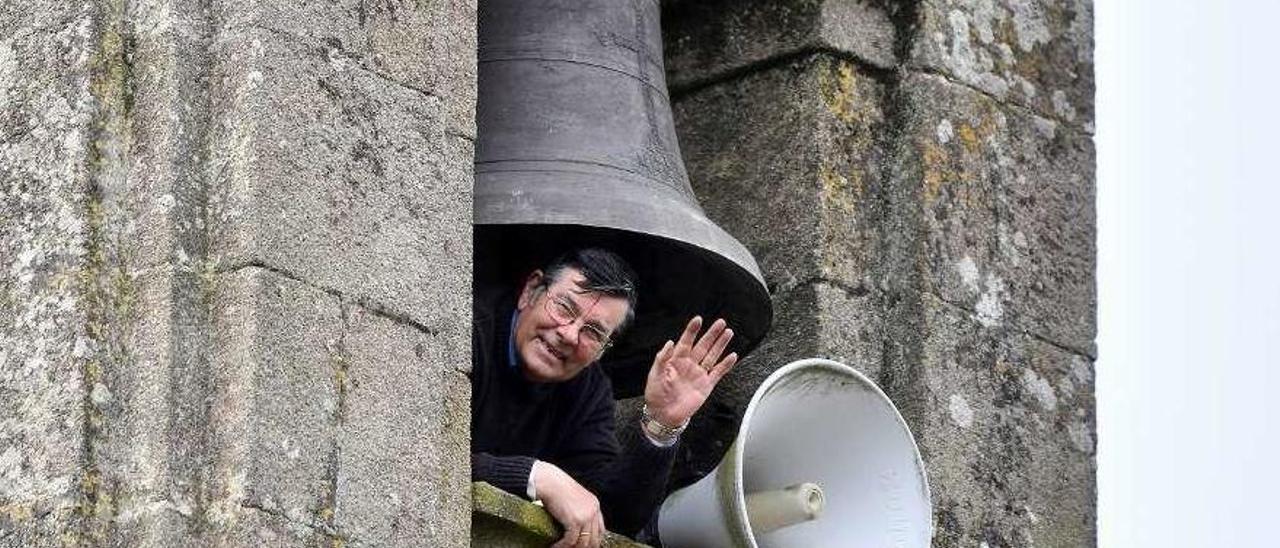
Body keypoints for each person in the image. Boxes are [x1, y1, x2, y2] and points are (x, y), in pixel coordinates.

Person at [471, 248, 737, 547]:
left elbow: (613, 516)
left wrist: (661, 425)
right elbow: (419, 452)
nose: (569, 334)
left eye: (593, 332)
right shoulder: (469, 329)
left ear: (603, 350)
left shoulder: (590, 391)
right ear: (530, 291)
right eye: (564, 307)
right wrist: (536, 476)